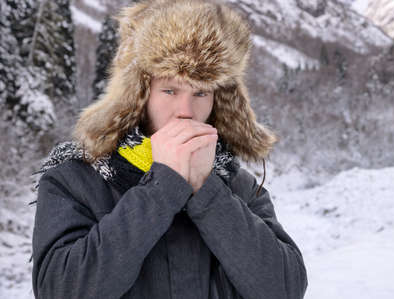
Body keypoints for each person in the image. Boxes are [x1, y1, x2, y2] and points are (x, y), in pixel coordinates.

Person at [30, 0, 308, 298]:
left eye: (201, 92)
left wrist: (206, 190)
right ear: (137, 94)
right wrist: (162, 187)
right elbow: (60, 290)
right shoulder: (75, 177)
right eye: (170, 90)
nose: (185, 111)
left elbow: (285, 288)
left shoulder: (237, 183)